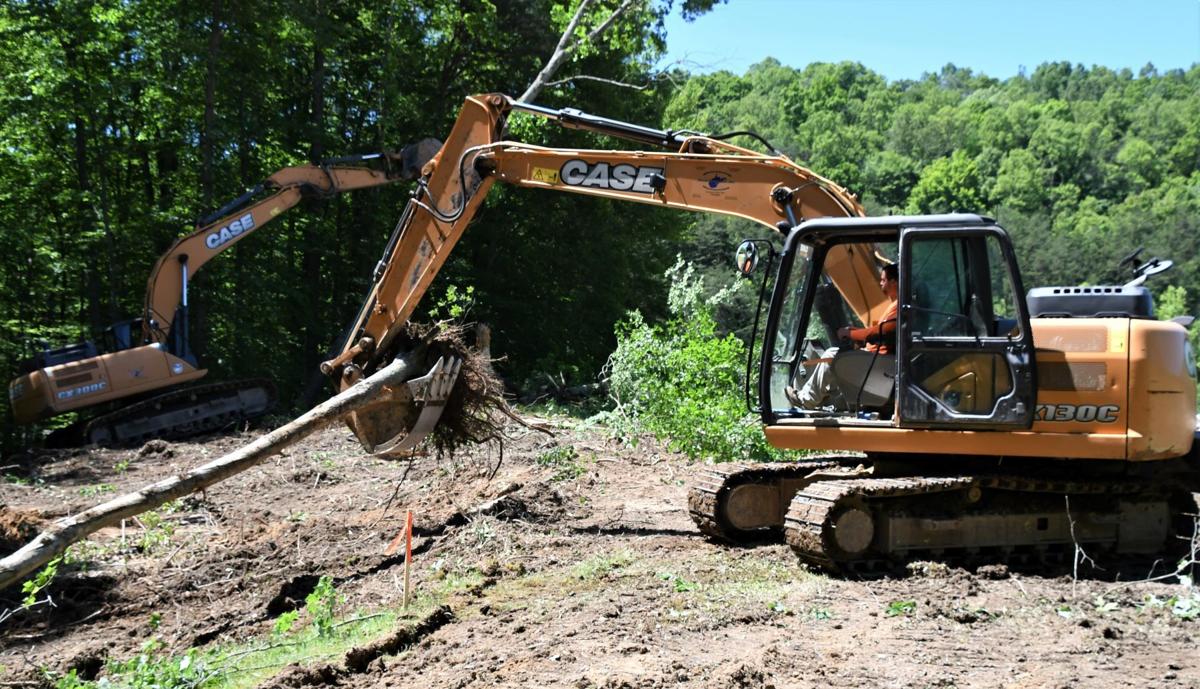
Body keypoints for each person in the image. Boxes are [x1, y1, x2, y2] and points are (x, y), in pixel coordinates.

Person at [786, 263, 899, 410]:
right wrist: (855, 333)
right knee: (840, 360)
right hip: (877, 360)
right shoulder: (894, 305)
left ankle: (806, 400)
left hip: (878, 363)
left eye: (883, 280)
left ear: (894, 282)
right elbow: (878, 331)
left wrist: (850, 333)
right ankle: (828, 397)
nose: (880, 283)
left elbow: (881, 333)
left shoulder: (899, 307)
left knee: (833, 355)